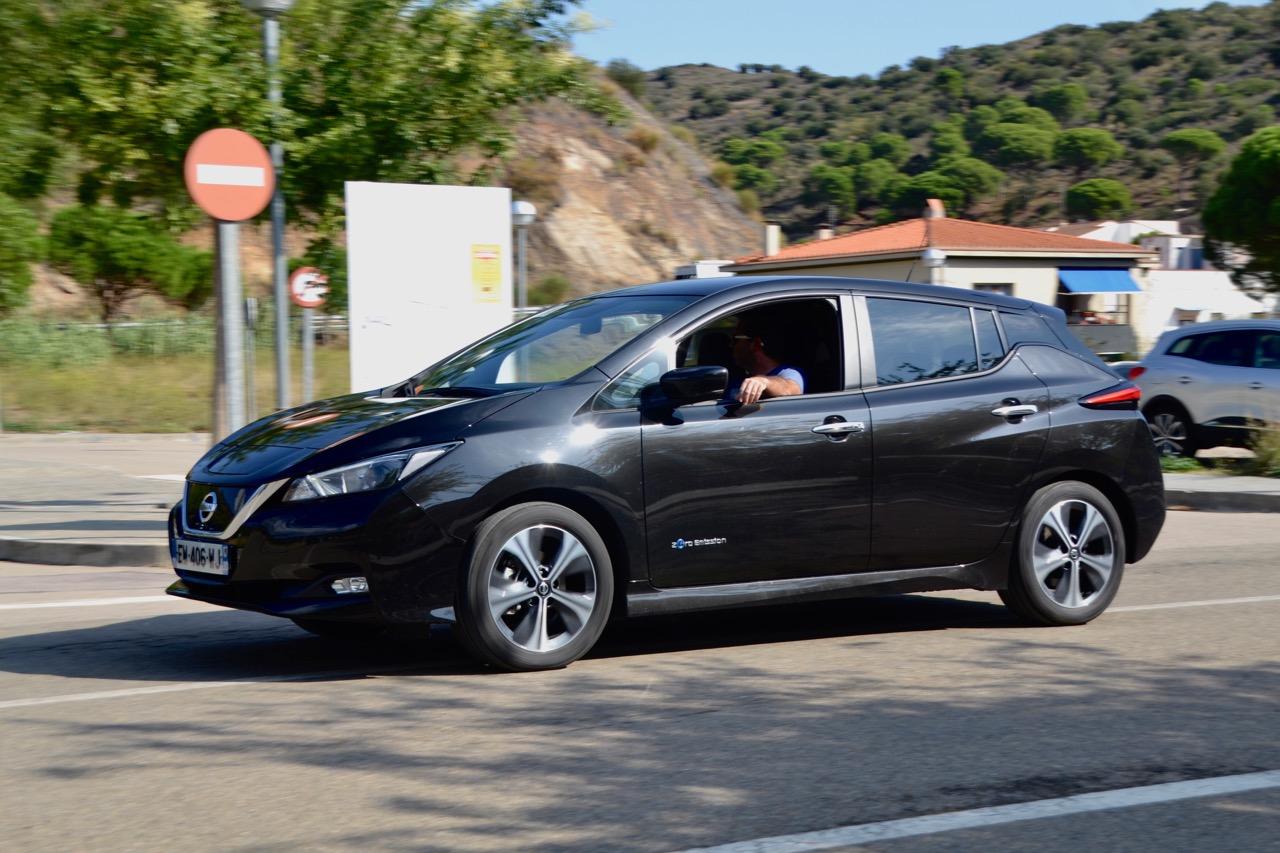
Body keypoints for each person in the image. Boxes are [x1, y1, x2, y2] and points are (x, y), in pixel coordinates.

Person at [727, 311, 805, 404]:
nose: (731, 345)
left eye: (735, 340)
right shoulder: (739, 380)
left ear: (755, 344)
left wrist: (764, 382)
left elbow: (790, 389)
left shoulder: (791, 373)